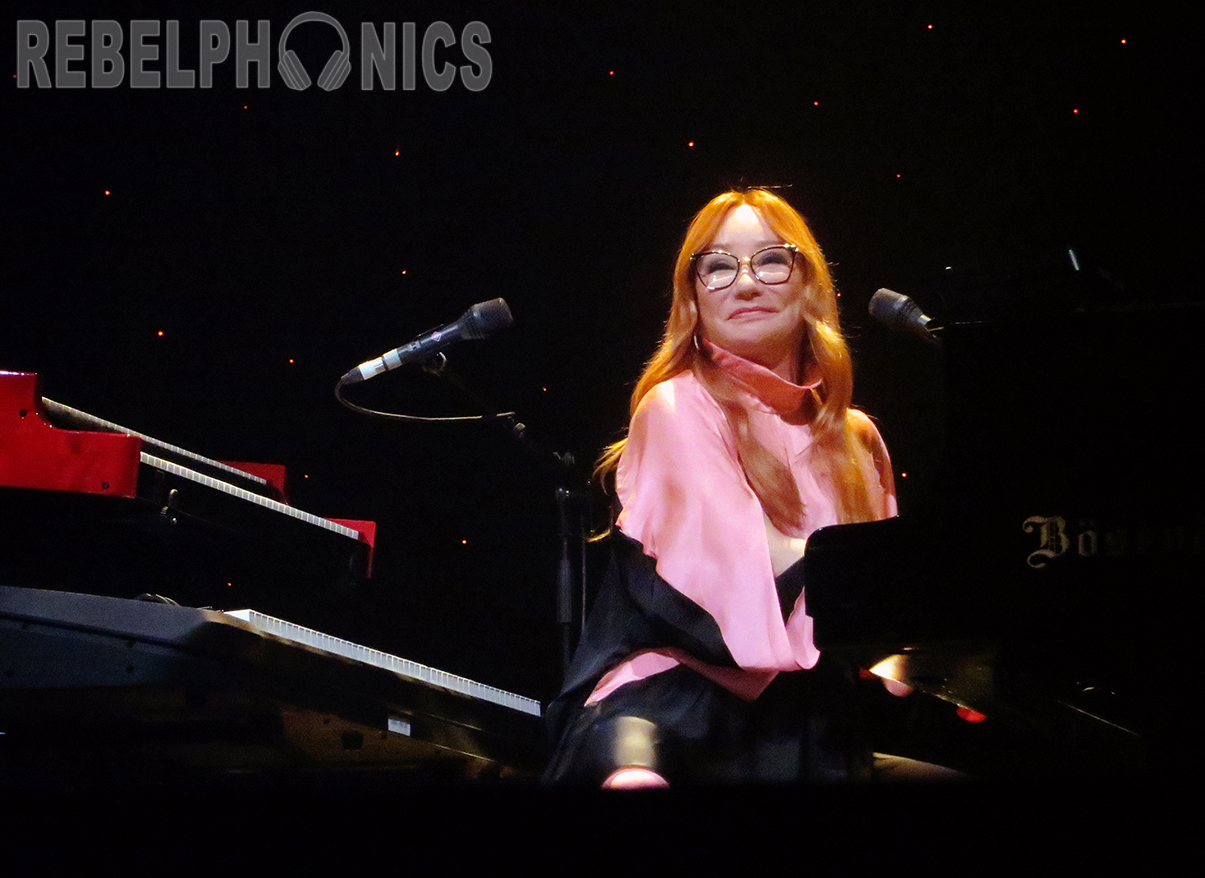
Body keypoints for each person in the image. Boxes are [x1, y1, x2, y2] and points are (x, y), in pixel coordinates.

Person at [543, 189, 899, 787]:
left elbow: (892, 614)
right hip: (673, 712)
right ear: (694, 300)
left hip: (804, 720)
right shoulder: (678, 405)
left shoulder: (856, 438)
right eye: (718, 266)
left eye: (770, 260)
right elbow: (736, 582)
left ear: (809, 284)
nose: (746, 283)